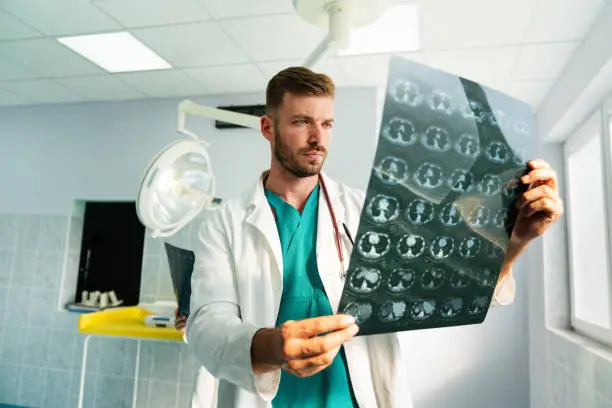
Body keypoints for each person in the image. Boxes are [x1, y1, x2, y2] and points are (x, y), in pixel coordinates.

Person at [185, 67, 564, 407]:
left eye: (327, 124)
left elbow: (443, 288)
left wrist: (514, 243)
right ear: (268, 128)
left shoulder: (368, 211)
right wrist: (272, 346)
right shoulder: (224, 223)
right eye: (302, 122)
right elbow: (205, 325)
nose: (318, 138)